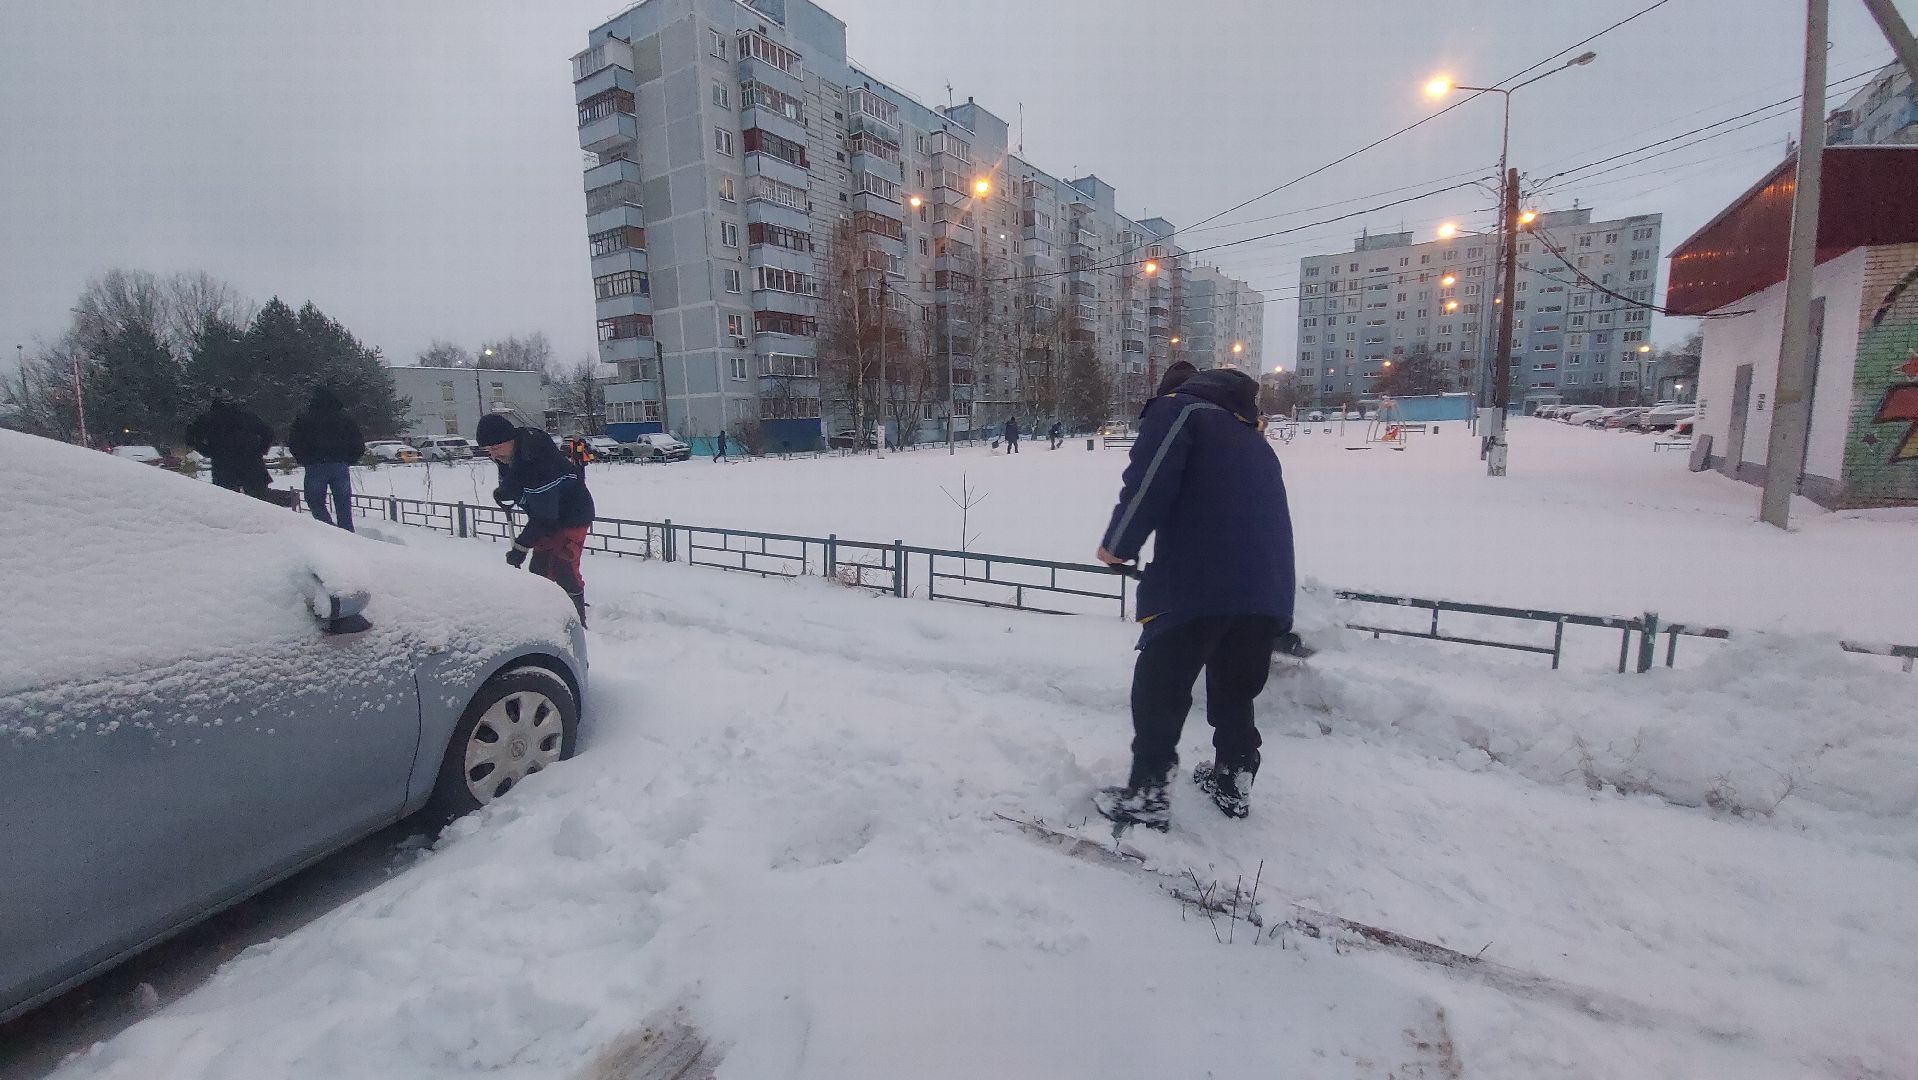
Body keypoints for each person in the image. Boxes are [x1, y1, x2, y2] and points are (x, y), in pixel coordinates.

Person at [1092, 365, 1296, 830]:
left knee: (1159, 687)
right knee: (1234, 688)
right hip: (1265, 591)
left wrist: (1118, 545)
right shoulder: (1251, 437)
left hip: (1200, 581)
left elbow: (1149, 482)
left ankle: (1148, 795)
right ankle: (1234, 778)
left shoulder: (1179, 411)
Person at [476, 413, 596, 625]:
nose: (493, 455)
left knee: (564, 568)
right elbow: (518, 481)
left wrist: (520, 548)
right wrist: (508, 490)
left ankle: (578, 624)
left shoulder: (539, 461)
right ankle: (546, 618)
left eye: (496, 448)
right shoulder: (510, 453)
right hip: (545, 514)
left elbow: (544, 517)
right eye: (489, 450)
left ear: (510, 439)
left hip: (573, 514)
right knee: (539, 569)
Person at [288, 386, 364, 531]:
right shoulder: (345, 419)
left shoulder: (304, 419)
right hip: (340, 465)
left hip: (315, 465)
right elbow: (358, 442)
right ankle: (348, 534)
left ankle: (328, 530)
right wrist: (349, 459)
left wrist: (304, 459)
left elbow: (294, 442)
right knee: (343, 504)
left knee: (314, 501)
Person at [185, 394, 275, 501]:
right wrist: (261, 449)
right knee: (260, 503)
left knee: (227, 504)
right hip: (252, 465)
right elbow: (268, 433)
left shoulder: (208, 420)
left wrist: (206, 450)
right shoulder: (247, 416)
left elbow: (192, 439)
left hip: (224, 468)